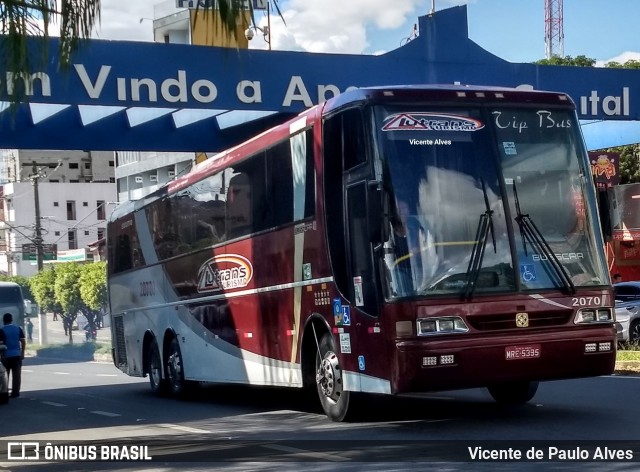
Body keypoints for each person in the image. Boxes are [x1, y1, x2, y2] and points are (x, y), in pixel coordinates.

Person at [1, 313, 25, 398]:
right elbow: (22, 341)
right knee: (17, 375)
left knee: (4, 375)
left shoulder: (1, 330)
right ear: (12, 319)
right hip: (16, 355)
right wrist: (22, 352)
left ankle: (5, 392)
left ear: (4, 320)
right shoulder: (18, 328)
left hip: (5, 356)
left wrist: (2, 356)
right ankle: (15, 392)